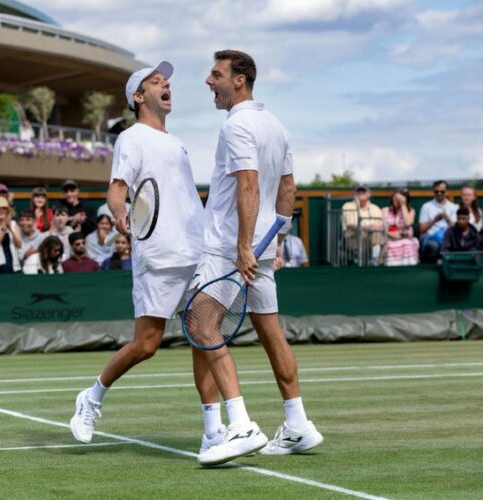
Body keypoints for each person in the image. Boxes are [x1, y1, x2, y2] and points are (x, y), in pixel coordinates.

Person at [70, 61, 222, 460]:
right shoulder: (130, 138)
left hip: (197, 250)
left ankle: (213, 432)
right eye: (156, 82)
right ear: (138, 97)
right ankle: (92, 395)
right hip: (158, 252)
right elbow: (117, 189)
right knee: (147, 344)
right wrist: (119, 214)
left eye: (167, 81)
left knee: (203, 339)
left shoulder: (177, 143)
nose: (165, 85)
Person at [193, 50, 323, 465]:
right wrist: (275, 242)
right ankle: (298, 423)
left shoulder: (236, 127)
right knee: (271, 332)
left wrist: (244, 246)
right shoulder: (276, 126)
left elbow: (248, 186)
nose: (208, 81)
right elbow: (288, 191)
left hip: (231, 246)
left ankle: (241, 424)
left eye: (216, 75)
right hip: (262, 247)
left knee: (200, 324)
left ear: (240, 80)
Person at [341, 184, 385, 266]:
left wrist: (367, 227)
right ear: (355, 194)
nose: (361, 193)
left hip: (372, 239)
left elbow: (381, 225)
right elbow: (351, 224)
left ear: (369, 194)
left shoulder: (375, 208)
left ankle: (374, 262)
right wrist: (369, 227)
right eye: (358, 191)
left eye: (363, 191)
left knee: (377, 234)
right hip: (354, 239)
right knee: (375, 233)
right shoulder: (347, 206)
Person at [418, 180, 458, 262]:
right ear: (433, 192)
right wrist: (434, 221)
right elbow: (422, 230)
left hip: (448, 238)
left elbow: (455, 229)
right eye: (436, 191)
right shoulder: (426, 206)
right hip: (430, 238)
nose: (439, 193)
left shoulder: (454, 207)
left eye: (442, 192)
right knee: (434, 245)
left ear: (447, 192)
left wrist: (446, 218)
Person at [382, 188, 419, 266]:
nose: (396, 200)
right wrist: (390, 234)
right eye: (395, 197)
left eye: (399, 198)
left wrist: (403, 205)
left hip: (405, 238)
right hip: (388, 238)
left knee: (408, 245)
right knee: (388, 246)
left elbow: (408, 223)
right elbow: (380, 227)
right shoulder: (384, 210)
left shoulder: (411, 211)